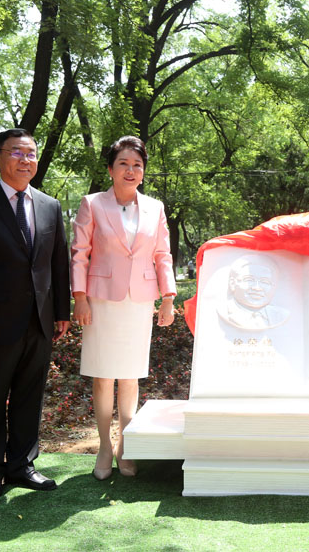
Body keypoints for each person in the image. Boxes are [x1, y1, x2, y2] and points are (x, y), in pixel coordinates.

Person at [0, 128, 71, 503]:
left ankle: (21, 465)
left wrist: (62, 312)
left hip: (40, 320)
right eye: (17, 152)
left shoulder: (50, 206)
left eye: (31, 153)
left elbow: (58, 263)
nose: (26, 160)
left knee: (29, 395)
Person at [70, 136, 176, 480]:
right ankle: (104, 446)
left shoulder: (155, 208)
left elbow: (162, 255)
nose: (130, 171)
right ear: (110, 169)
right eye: (123, 164)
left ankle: (125, 447)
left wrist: (168, 297)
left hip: (140, 301)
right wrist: (79, 296)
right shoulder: (92, 204)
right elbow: (80, 254)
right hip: (101, 300)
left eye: (137, 165)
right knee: (103, 376)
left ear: (143, 171)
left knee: (130, 376)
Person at [218, 254, 290, 330]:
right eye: (249, 280)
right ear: (232, 283)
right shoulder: (224, 311)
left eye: (264, 282)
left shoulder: (280, 315)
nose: (257, 288)